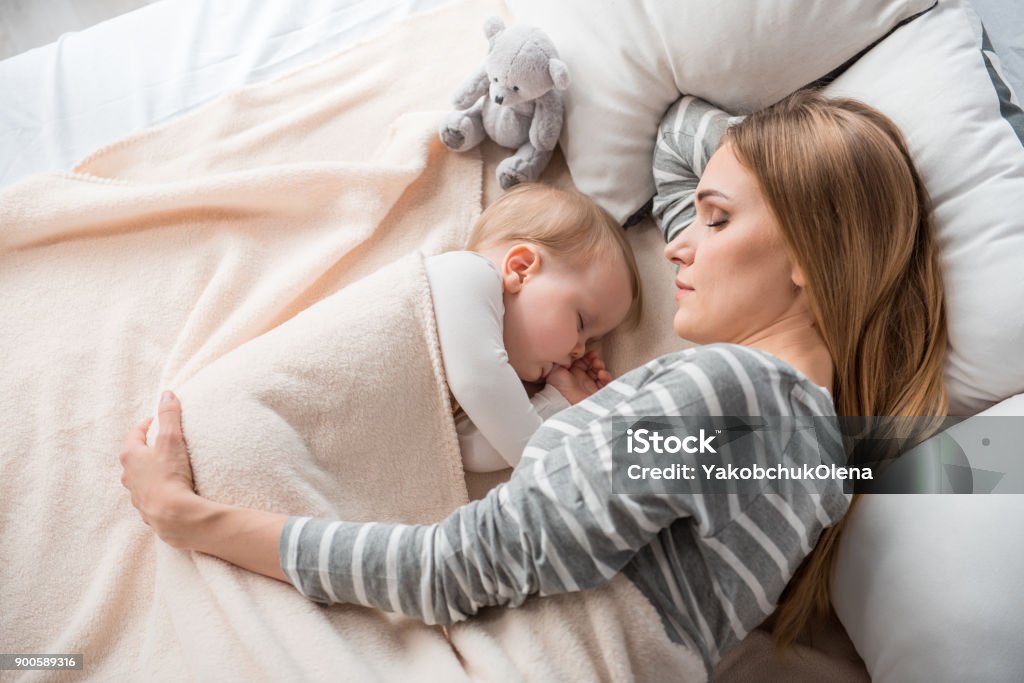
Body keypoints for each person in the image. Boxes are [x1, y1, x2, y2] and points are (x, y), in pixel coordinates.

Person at [119, 88, 948, 676]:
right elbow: (675, 146)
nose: (678, 245)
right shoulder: (829, 451)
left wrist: (191, 517)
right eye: (696, 216)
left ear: (809, 253)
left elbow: (448, 570)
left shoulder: (722, 397)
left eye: (718, 220)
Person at [428, 182, 642, 472]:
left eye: (592, 341)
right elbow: (479, 383)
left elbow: (461, 452)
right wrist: (558, 467)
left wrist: (559, 401)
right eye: (581, 323)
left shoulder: (478, 395)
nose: (580, 350)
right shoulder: (465, 274)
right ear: (521, 269)